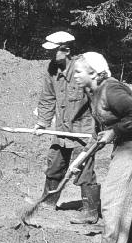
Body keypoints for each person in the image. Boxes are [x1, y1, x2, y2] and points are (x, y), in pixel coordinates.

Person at [72, 52, 132, 243]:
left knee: (112, 192)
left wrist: (115, 131)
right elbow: (98, 133)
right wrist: (80, 160)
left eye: (79, 71)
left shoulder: (111, 89)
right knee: (124, 193)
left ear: (93, 72)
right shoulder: (93, 92)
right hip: (125, 141)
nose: (75, 76)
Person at [34, 31, 99, 223]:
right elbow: (47, 98)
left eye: (54, 50)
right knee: (54, 164)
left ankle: (90, 211)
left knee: (84, 169)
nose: (50, 54)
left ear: (67, 50)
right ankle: (47, 202)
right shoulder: (51, 70)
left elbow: (97, 99)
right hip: (61, 129)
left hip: (84, 130)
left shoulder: (83, 69)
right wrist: (42, 122)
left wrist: (103, 127)